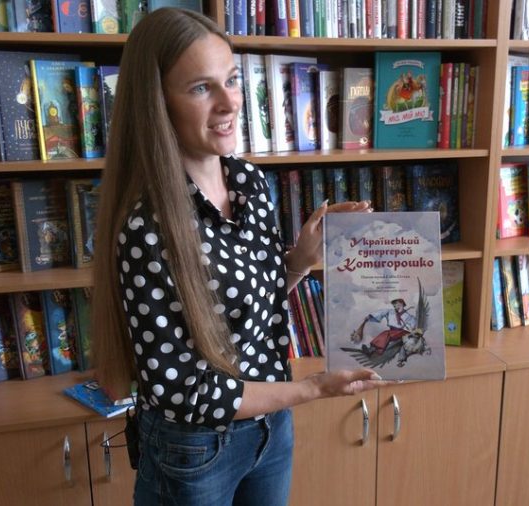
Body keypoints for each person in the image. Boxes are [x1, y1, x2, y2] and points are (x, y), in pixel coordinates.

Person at [91, 8, 385, 506]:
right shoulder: (146, 227)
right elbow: (183, 391)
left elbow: (245, 310)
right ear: (157, 103)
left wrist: (300, 261)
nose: (230, 102)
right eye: (201, 88)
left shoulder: (247, 180)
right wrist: (313, 388)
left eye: (231, 80)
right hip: (196, 448)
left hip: (270, 429)